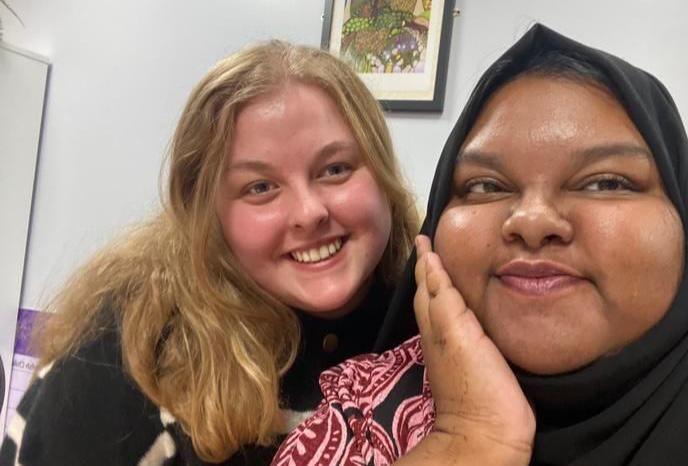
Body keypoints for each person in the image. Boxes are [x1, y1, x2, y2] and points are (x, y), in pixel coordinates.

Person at [272, 24, 688, 466]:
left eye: (607, 182)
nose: (532, 221)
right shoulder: (361, 415)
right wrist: (469, 441)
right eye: (485, 186)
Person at [0, 40, 419, 466]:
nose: (310, 213)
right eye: (260, 187)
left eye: (336, 169)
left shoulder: (437, 325)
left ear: (384, 175)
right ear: (207, 214)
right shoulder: (121, 359)